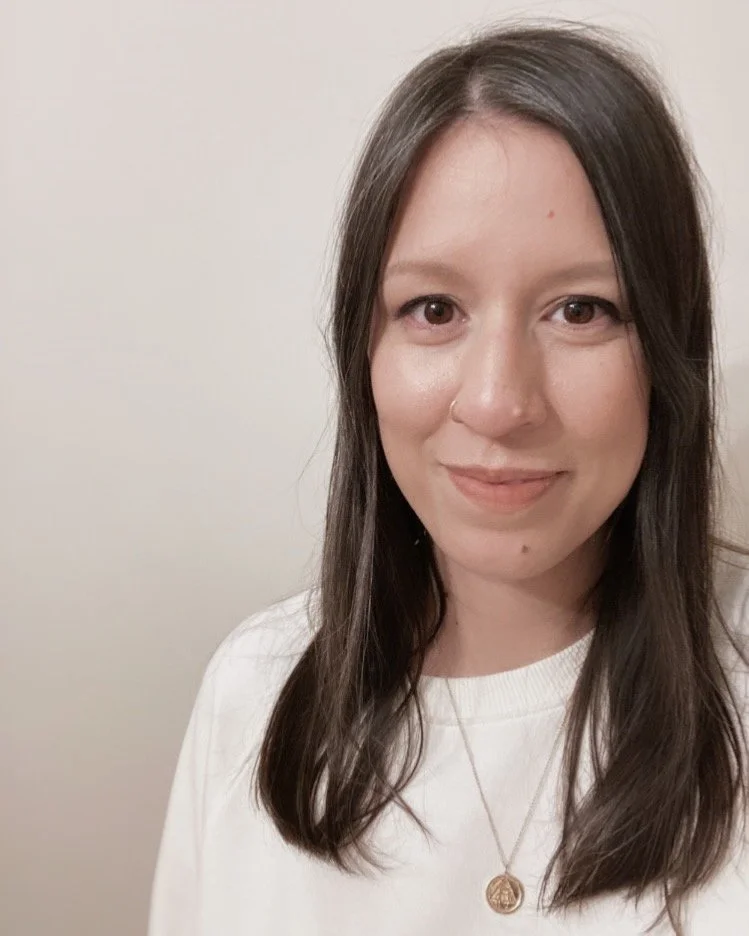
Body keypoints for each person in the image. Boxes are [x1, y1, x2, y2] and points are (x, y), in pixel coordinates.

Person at [147, 20, 749, 936]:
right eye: (434, 309)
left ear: (668, 350)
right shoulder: (254, 692)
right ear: (364, 351)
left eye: (579, 310)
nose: (499, 400)